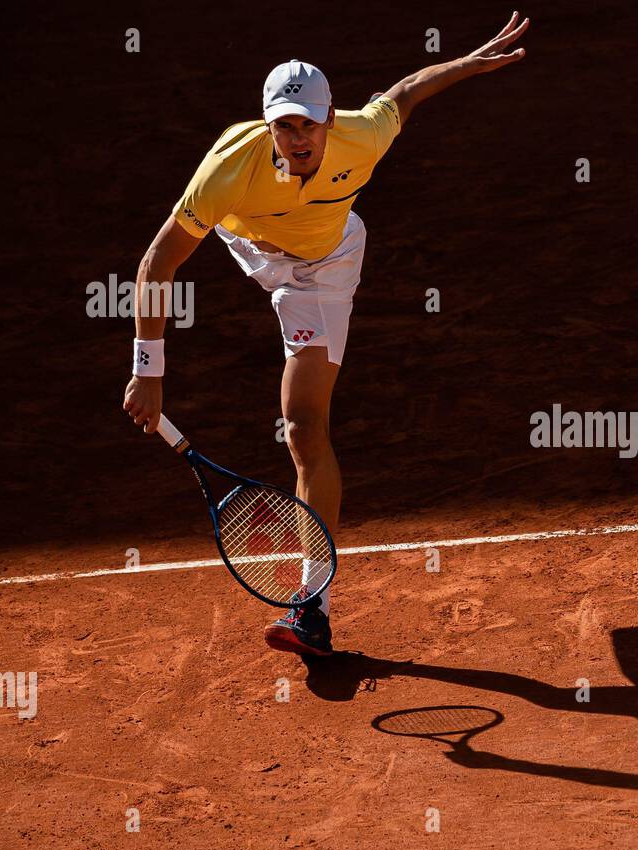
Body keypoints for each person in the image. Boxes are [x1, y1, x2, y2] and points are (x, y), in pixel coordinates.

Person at [123, 13, 530, 655]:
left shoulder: (360, 138)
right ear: (268, 125)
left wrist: (467, 63)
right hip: (252, 240)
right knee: (217, 233)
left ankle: (311, 607)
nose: (298, 136)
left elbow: (405, 92)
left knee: (305, 426)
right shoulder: (228, 167)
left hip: (324, 269)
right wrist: (149, 368)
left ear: (330, 118)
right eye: (284, 124)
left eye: (309, 122)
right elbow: (158, 262)